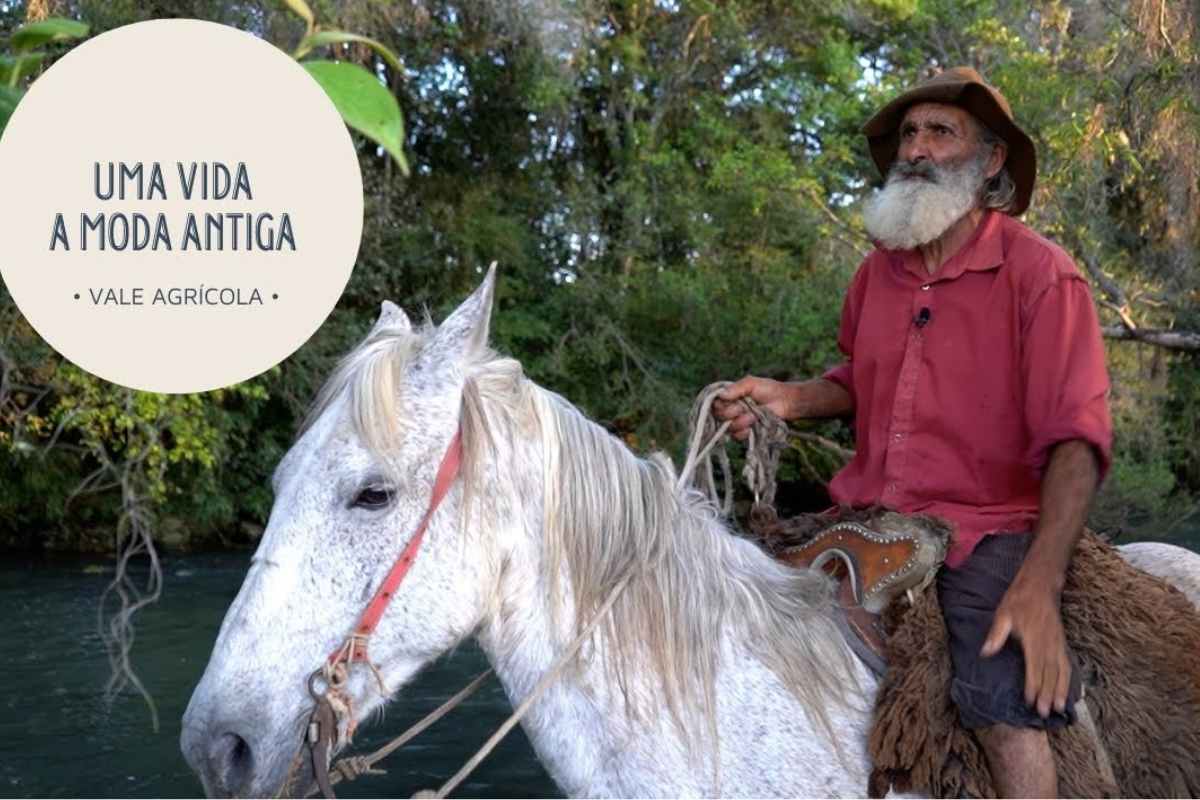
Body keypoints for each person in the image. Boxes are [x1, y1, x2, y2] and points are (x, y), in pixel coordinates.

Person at [713, 67, 1112, 798]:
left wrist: (1038, 585)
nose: (916, 149)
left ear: (990, 160)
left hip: (984, 529)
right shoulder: (878, 275)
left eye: (940, 131)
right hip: (867, 515)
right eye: (907, 133)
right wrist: (787, 401)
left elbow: (1077, 440)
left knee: (999, 699)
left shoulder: (1042, 276)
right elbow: (860, 380)